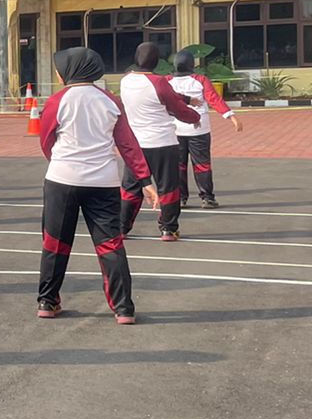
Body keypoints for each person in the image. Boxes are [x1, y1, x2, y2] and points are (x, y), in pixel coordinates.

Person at [37, 48, 158, 324]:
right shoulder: (110, 101)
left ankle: (48, 301)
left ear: (69, 71)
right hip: (103, 182)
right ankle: (123, 308)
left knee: (55, 242)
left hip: (62, 179)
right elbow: (128, 144)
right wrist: (145, 180)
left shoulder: (57, 100)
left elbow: (46, 140)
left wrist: (58, 161)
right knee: (110, 244)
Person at [118, 42, 200, 241]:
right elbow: (175, 106)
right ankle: (168, 229)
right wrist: (194, 117)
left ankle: (121, 227)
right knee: (168, 187)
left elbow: (164, 96)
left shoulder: (125, 80)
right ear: (156, 61)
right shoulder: (159, 81)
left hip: (136, 144)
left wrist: (185, 99)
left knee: (131, 187)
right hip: (162, 143)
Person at [170, 50, 242, 209]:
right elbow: (214, 99)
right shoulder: (200, 80)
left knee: (178, 165)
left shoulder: (167, 81)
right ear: (191, 64)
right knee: (202, 164)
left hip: (174, 129)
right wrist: (231, 117)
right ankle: (207, 198)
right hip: (199, 129)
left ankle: (180, 198)